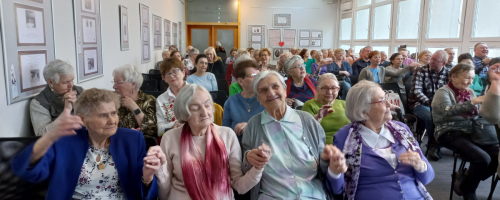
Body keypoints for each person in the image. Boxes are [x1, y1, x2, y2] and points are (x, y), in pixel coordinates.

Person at [12, 88, 163, 199]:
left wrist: (147, 177)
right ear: (82, 119)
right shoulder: (66, 140)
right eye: (103, 115)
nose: (112, 120)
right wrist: (50, 136)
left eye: (114, 113)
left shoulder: (131, 139)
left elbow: (148, 194)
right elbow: (26, 171)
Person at [156, 84, 269, 200]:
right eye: (195, 108)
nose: (205, 113)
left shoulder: (227, 135)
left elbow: (240, 186)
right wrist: (158, 168)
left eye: (207, 105)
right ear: (184, 112)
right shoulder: (170, 138)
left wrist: (258, 167)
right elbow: (164, 190)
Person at [241, 70, 341, 199]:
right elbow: (245, 169)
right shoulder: (253, 125)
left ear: (284, 89)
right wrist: (249, 157)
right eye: (264, 90)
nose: (271, 93)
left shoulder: (308, 120)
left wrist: (330, 160)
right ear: (259, 99)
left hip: (313, 195)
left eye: (275, 86)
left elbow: (324, 166)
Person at [329, 80, 434, 199]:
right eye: (382, 100)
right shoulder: (345, 137)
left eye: (386, 98)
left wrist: (421, 166)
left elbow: (427, 178)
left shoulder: (402, 130)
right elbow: (337, 190)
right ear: (364, 112)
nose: (389, 104)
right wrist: (335, 172)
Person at [432, 63, 498, 200]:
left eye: (472, 78)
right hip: (448, 131)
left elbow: (478, 114)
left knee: (497, 155)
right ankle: (468, 190)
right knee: (482, 158)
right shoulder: (443, 91)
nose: (470, 82)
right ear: (453, 76)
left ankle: (465, 180)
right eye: (467, 77)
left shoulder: (470, 92)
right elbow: (446, 112)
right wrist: (473, 102)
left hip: (471, 131)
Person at [409, 50, 451, 161]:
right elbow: (416, 91)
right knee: (431, 115)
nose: (431, 61)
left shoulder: (449, 73)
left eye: (436, 60)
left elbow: (451, 92)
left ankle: (448, 142)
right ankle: (433, 144)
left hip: (440, 104)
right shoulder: (420, 70)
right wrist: (431, 103)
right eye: (432, 58)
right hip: (420, 103)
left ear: (443, 63)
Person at [30, 60, 84, 136]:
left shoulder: (80, 91)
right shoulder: (39, 103)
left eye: (72, 80)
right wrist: (66, 112)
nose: (71, 85)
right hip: (59, 143)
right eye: (66, 82)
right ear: (51, 82)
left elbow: (96, 119)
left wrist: (78, 107)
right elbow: (41, 134)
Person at [223, 60, 265, 142]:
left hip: (262, 145)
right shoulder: (231, 101)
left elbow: (274, 128)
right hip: (237, 146)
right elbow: (225, 131)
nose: (258, 79)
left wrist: (250, 127)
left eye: (259, 75)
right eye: (253, 75)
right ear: (241, 81)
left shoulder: (266, 99)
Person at [302, 73, 350, 144]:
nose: (329, 92)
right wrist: (318, 117)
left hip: (350, 145)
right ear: (318, 89)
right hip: (326, 148)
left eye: (334, 88)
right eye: (325, 88)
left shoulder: (344, 104)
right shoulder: (310, 105)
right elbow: (307, 131)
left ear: (338, 89)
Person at [112, 64, 158, 136]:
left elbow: (151, 131)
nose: (114, 86)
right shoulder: (112, 100)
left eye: (118, 82)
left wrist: (134, 108)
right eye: (114, 82)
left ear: (133, 84)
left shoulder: (148, 100)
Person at [156, 58, 188, 136]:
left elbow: (210, 119)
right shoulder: (160, 100)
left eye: (175, 71)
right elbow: (159, 130)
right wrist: (176, 124)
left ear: (183, 72)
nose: (172, 75)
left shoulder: (197, 91)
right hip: (173, 138)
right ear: (164, 78)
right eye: (168, 73)